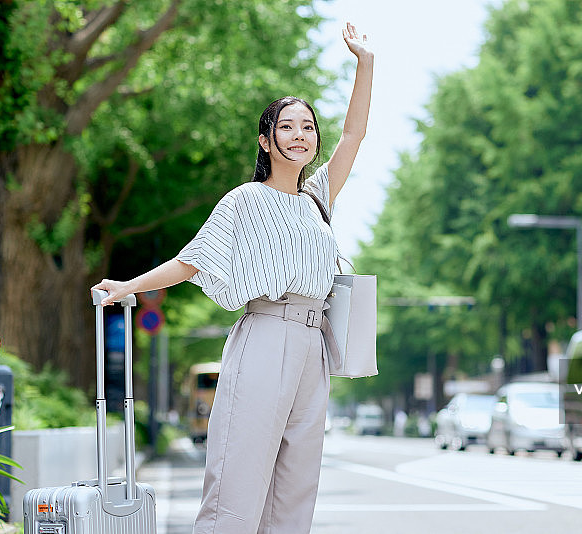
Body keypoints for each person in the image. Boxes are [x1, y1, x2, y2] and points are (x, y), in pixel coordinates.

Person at [92, 22, 373, 534]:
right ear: (266, 140)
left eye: (308, 127)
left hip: (314, 346)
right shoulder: (244, 200)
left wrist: (364, 64)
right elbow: (191, 260)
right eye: (287, 127)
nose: (300, 135)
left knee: (296, 492)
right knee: (237, 490)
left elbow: (354, 134)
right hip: (264, 336)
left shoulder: (317, 200)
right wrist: (129, 287)